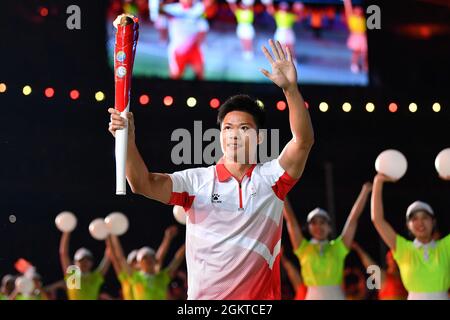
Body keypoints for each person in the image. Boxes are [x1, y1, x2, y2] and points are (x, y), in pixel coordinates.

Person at [108, 39, 314, 299]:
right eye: (227, 128)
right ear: (219, 136)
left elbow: (303, 141)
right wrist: (128, 139)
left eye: (244, 128)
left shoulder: (271, 179)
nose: (234, 135)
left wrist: (291, 91)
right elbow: (142, 183)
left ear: (260, 137)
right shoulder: (196, 182)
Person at [283, 182, 372, 299]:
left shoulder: (338, 247)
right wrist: (281, 190)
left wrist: (364, 192)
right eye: (314, 223)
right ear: (309, 228)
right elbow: (291, 221)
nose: (318, 227)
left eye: (322, 222)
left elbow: (353, 219)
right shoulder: (303, 247)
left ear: (329, 227)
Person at [371, 174, 450, 300]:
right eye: (414, 219)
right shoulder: (403, 248)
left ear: (433, 222)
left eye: (425, 217)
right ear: (408, 226)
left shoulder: (446, 246)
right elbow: (377, 219)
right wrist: (378, 182)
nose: (420, 223)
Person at [106, 225, 180, 299]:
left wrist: (168, 238)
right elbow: (119, 259)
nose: (147, 260)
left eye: (136, 260)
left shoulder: (157, 276)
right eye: (133, 261)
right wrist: (111, 235)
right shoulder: (132, 277)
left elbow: (160, 258)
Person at [161, 0, 212, 79]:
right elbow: (157, 13)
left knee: (200, 74)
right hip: (178, 48)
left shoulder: (199, 9)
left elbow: (203, 30)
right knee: (175, 76)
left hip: (194, 47)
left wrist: (194, 44)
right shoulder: (171, 9)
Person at [59, 232, 110, 300]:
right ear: (74, 263)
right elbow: (63, 254)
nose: (85, 262)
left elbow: (109, 254)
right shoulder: (72, 276)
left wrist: (107, 234)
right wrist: (67, 231)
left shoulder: (96, 277)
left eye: (88, 259)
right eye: (81, 260)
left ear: (92, 262)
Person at [343, 0, 368, 73]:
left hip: (363, 37)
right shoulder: (351, 18)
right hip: (355, 36)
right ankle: (354, 65)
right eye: (357, 9)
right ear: (354, 11)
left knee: (365, 53)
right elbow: (348, 8)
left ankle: (365, 65)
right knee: (356, 52)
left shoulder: (363, 18)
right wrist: (347, 2)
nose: (359, 10)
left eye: (360, 9)